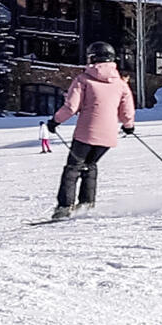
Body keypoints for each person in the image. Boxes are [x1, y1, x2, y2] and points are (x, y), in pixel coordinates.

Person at [46, 41, 136, 220]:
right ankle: (86, 204)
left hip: (86, 132)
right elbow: (127, 111)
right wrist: (128, 126)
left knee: (73, 168)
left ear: (92, 58)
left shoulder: (83, 80)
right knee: (90, 165)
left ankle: (64, 207)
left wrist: (55, 121)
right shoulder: (120, 84)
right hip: (108, 136)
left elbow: (71, 107)